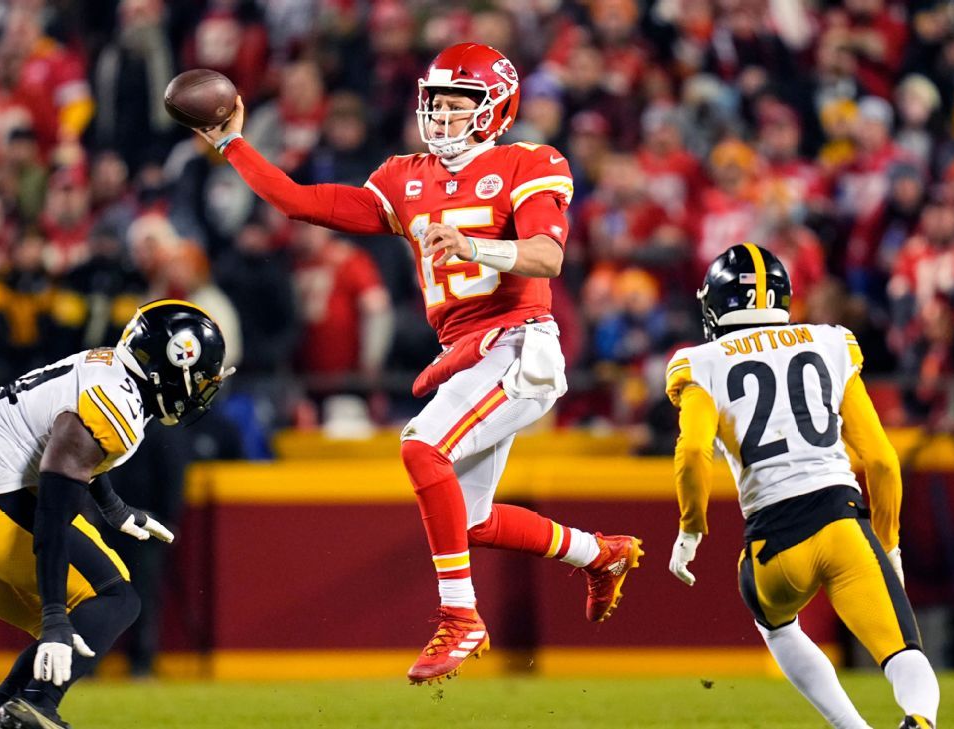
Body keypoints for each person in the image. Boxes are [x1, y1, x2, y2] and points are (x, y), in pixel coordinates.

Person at [197, 42, 642, 685]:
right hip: (466, 355)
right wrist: (232, 144)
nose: (441, 116)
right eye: (435, 102)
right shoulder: (405, 177)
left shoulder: (529, 162)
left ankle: (461, 618)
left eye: (458, 104)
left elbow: (548, 258)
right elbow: (298, 202)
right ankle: (600, 555)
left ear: (495, 110)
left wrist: (477, 247)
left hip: (519, 342)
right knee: (474, 519)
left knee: (420, 447)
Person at [0, 300, 232, 729]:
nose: (197, 391)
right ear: (171, 363)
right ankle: (36, 710)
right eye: (197, 379)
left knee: (87, 623)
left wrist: (114, 508)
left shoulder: (109, 371)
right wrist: (53, 616)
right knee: (112, 599)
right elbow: (53, 509)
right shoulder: (114, 403)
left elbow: (69, 452)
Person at [664, 244, 940, 729]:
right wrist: (889, 545)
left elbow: (692, 454)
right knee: (901, 650)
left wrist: (691, 529)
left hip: (774, 545)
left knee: (777, 629)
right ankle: (920, 719)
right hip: (843, 523)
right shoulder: (830, 342)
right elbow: (880, 459)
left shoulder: (701, 361)